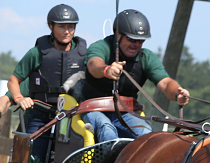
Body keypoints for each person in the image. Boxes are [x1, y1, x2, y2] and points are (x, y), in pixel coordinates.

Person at [81, 9, 189, 142]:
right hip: (94, 109)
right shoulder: (101, 46)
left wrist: (177, 93)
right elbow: (93, 65)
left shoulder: (146, 57)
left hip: (126, 113)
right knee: (107, 129)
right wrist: (107, 70)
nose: (136, 45)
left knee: (146, 134)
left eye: (141, 40)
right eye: (131, 39)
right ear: (117, 34)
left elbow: (166, 83)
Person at [7, 4, 86, 163]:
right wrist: (20, 98)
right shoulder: (36, 53)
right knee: (30, 162)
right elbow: (13, 81)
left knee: (70, 162)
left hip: (69, 117)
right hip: (40, 114)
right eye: (61, 26)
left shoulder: (84, 55)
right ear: (51, 26)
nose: (66, 31)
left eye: (70, 27)